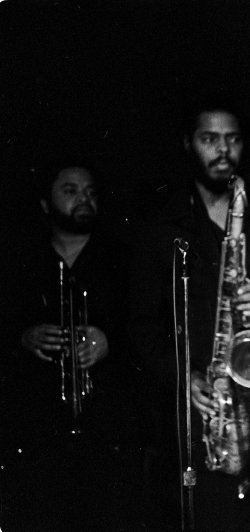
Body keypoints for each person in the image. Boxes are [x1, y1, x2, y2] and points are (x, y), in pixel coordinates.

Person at [128, 96, 250, 530]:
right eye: (209, 139)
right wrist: (185, 376)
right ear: (188, 144)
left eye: (232, 139)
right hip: (201, 410)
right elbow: (140, 324)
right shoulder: (161, 224)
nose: (223, 150)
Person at [1, 161, 141, 531]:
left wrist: (110, 342)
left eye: (91, 192)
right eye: (71, 190)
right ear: (45, 203)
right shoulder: (20, 263)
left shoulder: (124, 260)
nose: (84, 199)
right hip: (39, 436)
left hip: (109, 434)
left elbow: (151, 331)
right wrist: (23, 337)